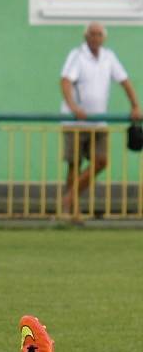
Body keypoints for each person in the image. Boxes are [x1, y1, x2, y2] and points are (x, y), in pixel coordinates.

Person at [60, 22, 141, 216]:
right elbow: (65, 81)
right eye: (92, 34)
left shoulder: (108, 57)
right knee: (75, 163)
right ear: (86, 37)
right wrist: (73, 106)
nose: (95, 38)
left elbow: (124, 81)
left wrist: (135, 105)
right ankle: (73, 210)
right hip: (76, 122)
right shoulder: (77, 55)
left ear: (104, 38)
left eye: (99, 34)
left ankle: (69, 198)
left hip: (98, 121)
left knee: (101, 161)